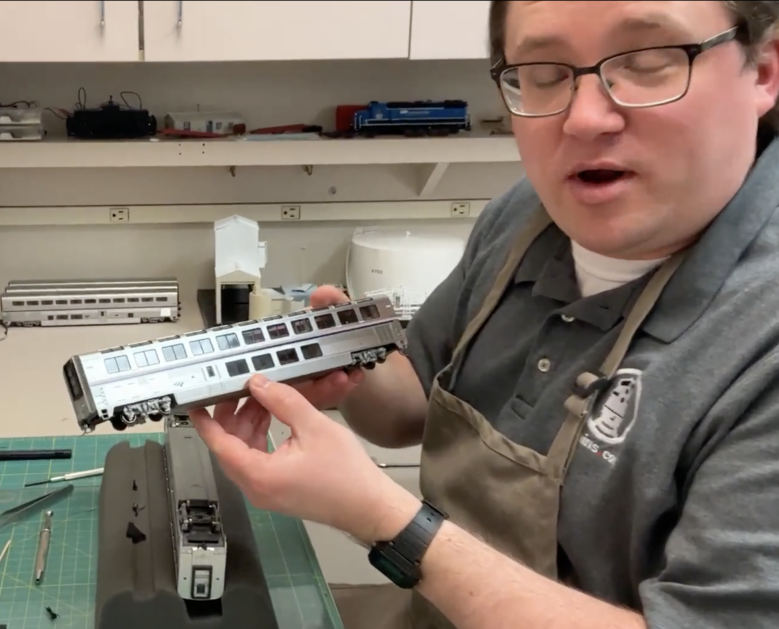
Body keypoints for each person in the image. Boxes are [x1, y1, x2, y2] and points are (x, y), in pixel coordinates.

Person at [188, 2, 779, 628]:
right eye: (544, 73)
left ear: (764, 70)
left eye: (648, 62)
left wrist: (381, 517)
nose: (584, 118)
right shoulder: (524, 218)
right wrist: (349, 366)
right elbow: (410, 407)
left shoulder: (757, 338)